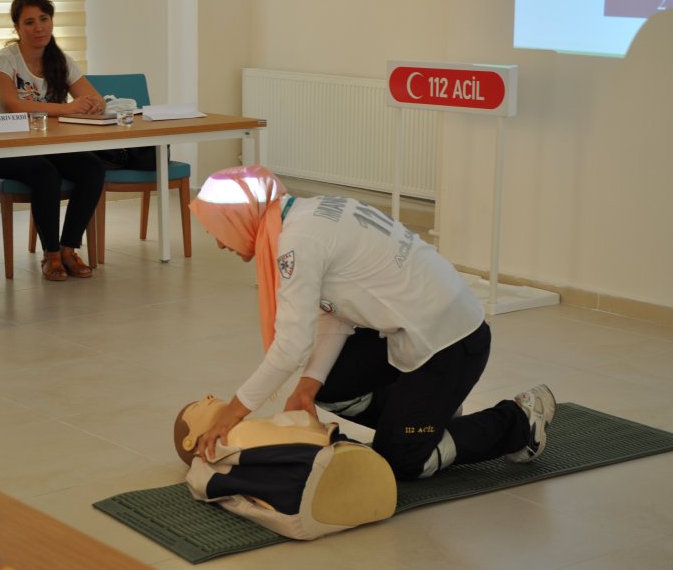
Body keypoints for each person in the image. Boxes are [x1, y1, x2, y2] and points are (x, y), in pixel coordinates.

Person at [188, 165, 557, 480]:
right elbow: (336, 313)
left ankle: (519, 421)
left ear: (239, 215)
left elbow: (290, 347)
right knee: (326, 384)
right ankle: (425, 414)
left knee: (402, 459)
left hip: (452, 342)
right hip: (415, 331)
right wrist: (306, 388)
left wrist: (230, 415)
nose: (219, 244)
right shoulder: (307, 213)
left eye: (216, 229)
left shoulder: (297, 243)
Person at [0, 0, 104, 281]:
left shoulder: (60, 60)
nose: (38, 27)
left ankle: (68, 248)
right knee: (45, 173)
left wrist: (94, 105)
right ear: (17, 28)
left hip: (48, 145)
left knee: (92, 168)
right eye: (29, 22)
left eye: (44, 19)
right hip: (4, 147)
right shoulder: (4, 61)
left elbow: (94, 97)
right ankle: (51, 254)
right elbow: (13, 105)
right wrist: (66, 108)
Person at [174, 394, 397, 540]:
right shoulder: (216, 452)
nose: (208, 397)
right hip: (303, 468)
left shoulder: (241, 432)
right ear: (189, 442)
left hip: (315, 458)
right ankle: (333, 470)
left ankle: (334, 469)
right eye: (198, 405)